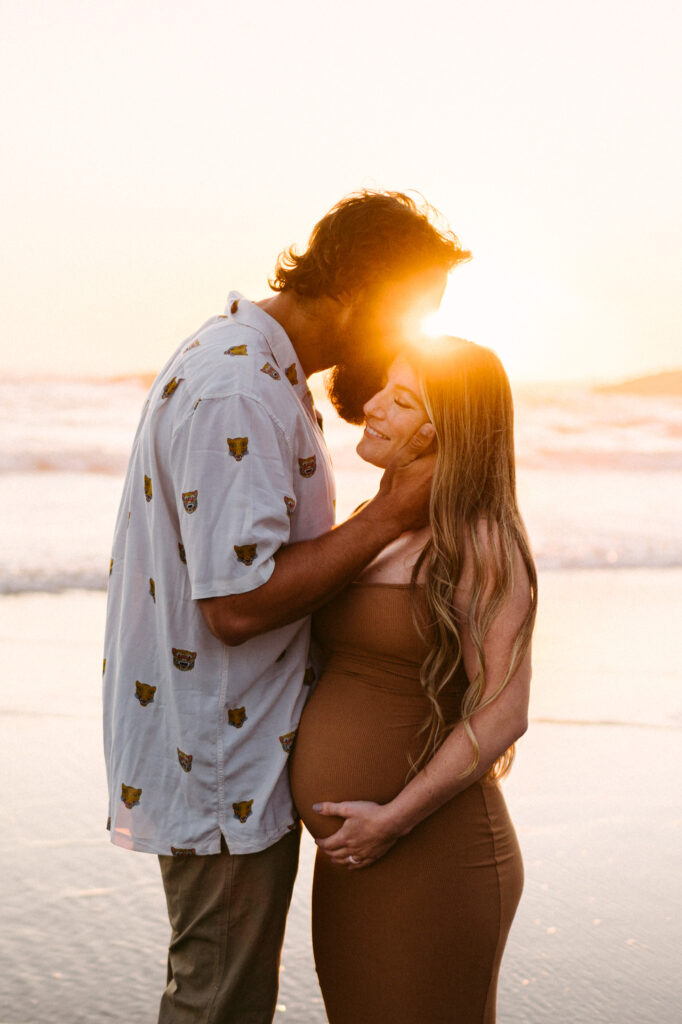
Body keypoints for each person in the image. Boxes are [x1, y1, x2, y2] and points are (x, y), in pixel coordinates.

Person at [102, 190, 470, 1024]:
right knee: (219, 1003)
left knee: (221, 992)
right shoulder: (239, 390)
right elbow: (236, 606)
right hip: (222, 757)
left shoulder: (256, 366)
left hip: (229, 748)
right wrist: (388, 516)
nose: (407, 337)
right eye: (409, 311)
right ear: (359, 290)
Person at [290, 338, 538, 1024]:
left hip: (432, 851)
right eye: (383, 389)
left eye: (401, 401)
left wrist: (390, 822)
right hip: (357, 857)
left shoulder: (481, 540)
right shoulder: (376, 523)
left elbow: (503, 714)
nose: (370, 406)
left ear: (444, 430)